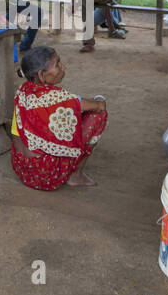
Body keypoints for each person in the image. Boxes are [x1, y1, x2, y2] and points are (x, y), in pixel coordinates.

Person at [10, 46, 108, 189]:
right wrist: (99, 99)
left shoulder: (22, 92)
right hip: (46, 176)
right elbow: (100, 106)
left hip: (23, 170)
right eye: (57, 64)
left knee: (67, 116)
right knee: (98, 116)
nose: (63, 66)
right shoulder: (60, 99)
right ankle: (76, 175)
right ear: (42, 75)